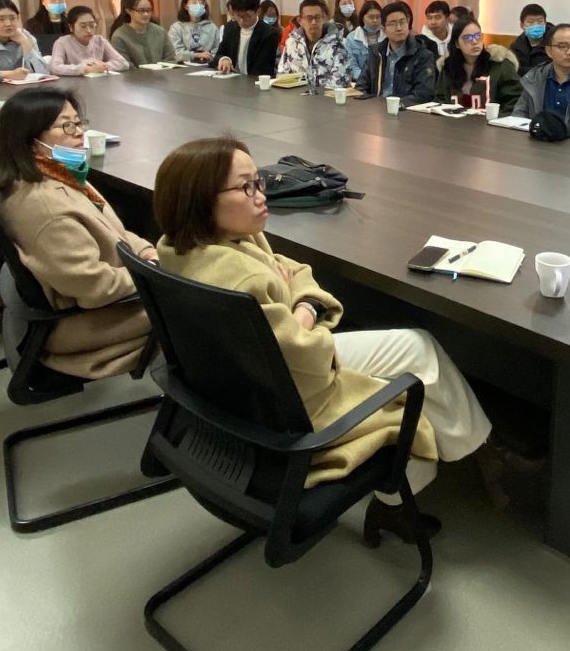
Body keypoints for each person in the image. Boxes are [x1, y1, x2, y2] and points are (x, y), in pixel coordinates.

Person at [153, 136, 514, 540]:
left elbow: (294, 270)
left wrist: (296, 307)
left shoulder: (186, 245)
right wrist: (306, 310)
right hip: (294, 399)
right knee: (410, 391)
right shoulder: (243, 281)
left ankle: (480, 448)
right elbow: (306, 356)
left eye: (259, 181)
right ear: (202, 201)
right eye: (246, 186)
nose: (262, 195)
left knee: (418, 347)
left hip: (251, 380)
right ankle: (410, 494)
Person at [0, 88, 153, 379]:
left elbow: (116, 232)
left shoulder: (60, 174)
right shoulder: (45, 207)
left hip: (107, 292)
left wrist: (148, 253)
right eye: (66, 126)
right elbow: (95, 288)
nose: (79, 133)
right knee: (207, 306)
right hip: (86, 320)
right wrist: (154, 274)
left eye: (78, 122)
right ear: (30, 140)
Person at [357, 1, 440, 104]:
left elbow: (423, 94)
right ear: (383, 29)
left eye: (402, 22)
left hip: (406, 110)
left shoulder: (423, 55)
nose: (399, 28)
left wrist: (394, 105)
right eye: (392, 24)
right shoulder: (376, 53)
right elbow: (361, 86)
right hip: (376, 109)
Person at [441, 15, 523, 109]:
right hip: (452, 118)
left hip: (493, 118)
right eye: (467, 38)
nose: (474, 41)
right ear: (457, 44)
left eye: (478, 36)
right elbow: (440, 100)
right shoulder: (449, 68)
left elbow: (515, 101)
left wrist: (495, 116)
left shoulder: (500, 66)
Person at [276, 0, 351, 88]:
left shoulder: (339, 45)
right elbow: (282, 77)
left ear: (324, 18)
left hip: (327, 96)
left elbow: (340, 84)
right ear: (300, 21)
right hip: (296, 95)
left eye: (317, 17)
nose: (313, 22)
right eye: (309, 18)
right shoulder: (291, 43)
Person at [49, 5, 130, 75]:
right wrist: (85, 69)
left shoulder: (100, 40)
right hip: (73, 85)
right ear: (71, 27)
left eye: (92, 25)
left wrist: (101, 66)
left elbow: (123, 63)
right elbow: (54, 67)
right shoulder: (62, 42)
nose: (89, 30)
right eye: (83, 26)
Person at [216, 0, 281, 76]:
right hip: (231, 78)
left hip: (254, 80)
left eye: (247, 16)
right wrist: (224, 59)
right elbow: (219, 54)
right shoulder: (230, 28)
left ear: (257, 12)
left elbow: (263, 69)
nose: (242, 20)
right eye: (238, 16)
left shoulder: (269, 34)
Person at [109, 0, 176, 66]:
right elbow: (125, 65)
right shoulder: (119, 36)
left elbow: (171, 59)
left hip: (163, 72)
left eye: (148, 10)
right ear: (129, 11)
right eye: (141, 11)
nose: (146, 14)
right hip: (134, 73)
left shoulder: (160, 31)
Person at [167, 0, 221, 65]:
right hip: (183, 66)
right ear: (186, 6)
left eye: (201, 2)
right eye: (194, 2)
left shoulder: (212, 27)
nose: (198, 5)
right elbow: (175, 52)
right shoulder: (176, 28)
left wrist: (210, 56)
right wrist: (196, 55)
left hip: (207, 65)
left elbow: (218, 50)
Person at [342, 0, 385, 83]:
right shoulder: (352, 38)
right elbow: (352, 67)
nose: (375, 20)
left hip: (382, 82)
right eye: (371, 17)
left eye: (378, 17)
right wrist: (368, 80)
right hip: (359, 82)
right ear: (362, 18)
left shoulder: (387, 37)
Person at [508, 3, 550, 74]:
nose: (536, 25)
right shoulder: (516, 46)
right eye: (530, 22)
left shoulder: (554, 44)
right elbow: (512, 69)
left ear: (545, 23)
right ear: (522, 25)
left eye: (540, 21)